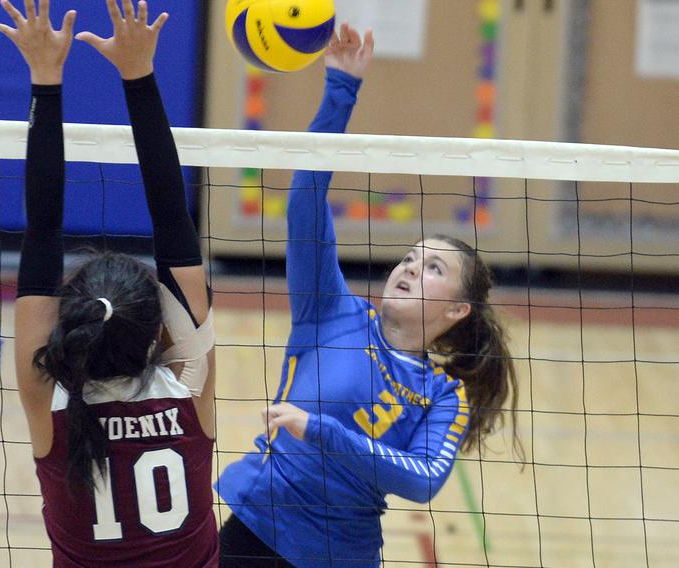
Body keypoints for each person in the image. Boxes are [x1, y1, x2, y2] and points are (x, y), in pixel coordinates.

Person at [215, 25, 522, 567]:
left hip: (340, 556)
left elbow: (423, 480)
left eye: (432, 268)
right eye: (410, 257)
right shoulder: (331, 311)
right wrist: (341, 88)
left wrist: (321, 431)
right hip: (255, 533)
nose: (409, 267)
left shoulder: (443, 396)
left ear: (456, 310)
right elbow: (306, 199)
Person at [0, 0, 217, 565]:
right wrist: (137, 75)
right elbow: (173, 226)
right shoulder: (186, 385)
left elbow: (43, 231)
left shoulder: (52, 401)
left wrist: (47, 79)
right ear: (155, 333)